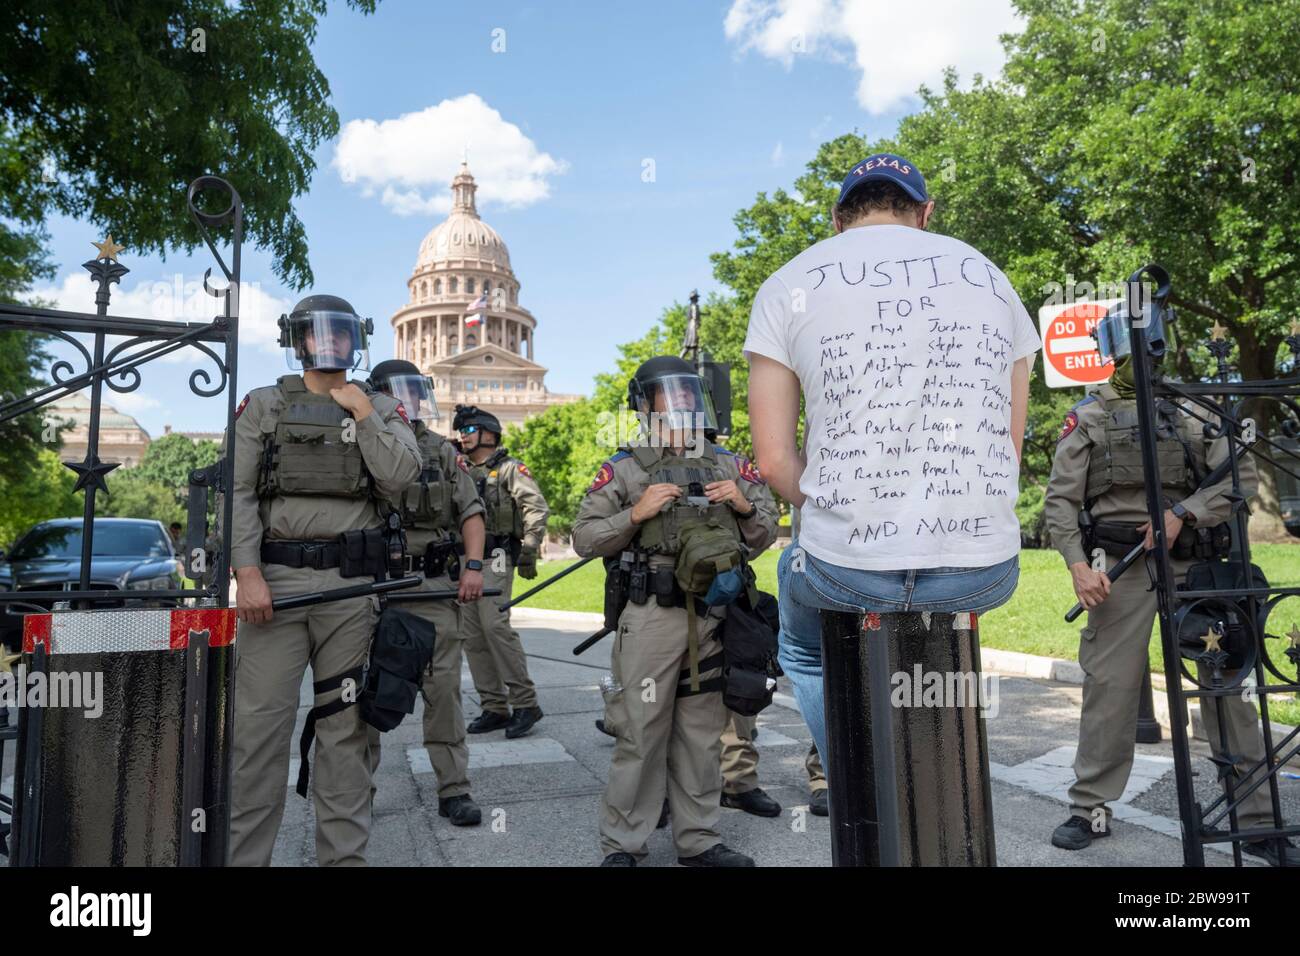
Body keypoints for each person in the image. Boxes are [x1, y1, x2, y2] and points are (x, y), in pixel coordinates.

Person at [744, 152, 1040, 764]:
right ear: (925, 213)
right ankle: (929, 767)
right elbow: (1009, 446)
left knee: (801, 646)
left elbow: (772, 464)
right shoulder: (990, 277)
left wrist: (834, 505)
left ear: (837, 219)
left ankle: (854, 769)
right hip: (980, 567)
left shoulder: (787, 283)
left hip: (846, 569)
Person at [1043, 302, 1298, 866]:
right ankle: (1091, 808)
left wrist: (1184, 510)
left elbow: (1240, 477)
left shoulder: (1196, 410)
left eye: (1153, 344)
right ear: (1113, 350)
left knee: (1223, 684)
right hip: (1122, 565)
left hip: (1195, 564)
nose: (1147, 354)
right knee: (1109, 687)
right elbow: (1060, 501)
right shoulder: (1090, 415)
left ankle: (1254, 819)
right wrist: (1076, 565)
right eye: (1137, 344)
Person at [227, 295, 421, 866]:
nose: (329, 343)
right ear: (298, 340)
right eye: (317, 334)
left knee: (346, 736)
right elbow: (237, 491)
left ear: (357, 339)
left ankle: (344, 862)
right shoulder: (263, 404)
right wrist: (247, 572)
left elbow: (400, 478)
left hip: (351, 590)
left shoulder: (380, 406)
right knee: (258, 735)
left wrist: (362, 414)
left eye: (341, 333)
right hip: (277, 588)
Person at [573, 355, 778, 867]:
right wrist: (634, 513)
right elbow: (583, 537)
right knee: (640, 731)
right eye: (670, 395)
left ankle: (700, 839)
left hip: (714, 613)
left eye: (690, 393)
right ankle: (623, 844)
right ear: (644, 405)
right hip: (651, 614)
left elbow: (766, 531)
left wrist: (745, 507)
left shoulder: (727, 462)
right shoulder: (625, 465)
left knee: (702, 734)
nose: (683, 403)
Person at [368, 360, 488, 827]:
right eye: (401, 393)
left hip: (435, 588)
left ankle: (453, 789)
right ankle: (357, 790)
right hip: (376, 589)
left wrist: (474, 567)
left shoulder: (440, 450)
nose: (411, 402)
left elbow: (471, 512)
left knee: (444, 695)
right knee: (368, 694)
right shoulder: (358, 442)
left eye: (416, 392)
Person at [454, 405, 550, 739]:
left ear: (489, 435)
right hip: (466, 558)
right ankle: (494, 707)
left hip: (496, 555)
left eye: (468, 431)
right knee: (472, 634)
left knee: (494, 626)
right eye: (461, 431)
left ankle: (525, 703)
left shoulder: (509, 469)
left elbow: (535, 506)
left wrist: (530, 546)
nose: (462, 437)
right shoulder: (461, 469)